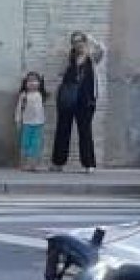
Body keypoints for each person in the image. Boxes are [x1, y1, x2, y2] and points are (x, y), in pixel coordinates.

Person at [50, 30, 104, 173]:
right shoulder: (68, 58)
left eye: (81, 41)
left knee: (85, 131)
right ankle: (58, 162)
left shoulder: (92, 59)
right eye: (75, 42)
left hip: (86, 100)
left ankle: (88, 164)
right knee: (63, 130)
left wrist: (89, 38)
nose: (78, 44)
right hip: (67, 99)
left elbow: (101, 49)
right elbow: (59, 72)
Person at [15, 71, 47, 172]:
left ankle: (34, 165)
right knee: (25, 144)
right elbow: (19, 109)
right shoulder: (24, 95)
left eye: (35, 81)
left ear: (39, 83)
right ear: (25, 83)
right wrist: (18, 120)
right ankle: (24, 164)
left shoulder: (40, 95)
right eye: (29, 81)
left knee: (36, 144)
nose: (32, 83)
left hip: (38, 123)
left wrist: (43, 121)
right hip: (27, 123)